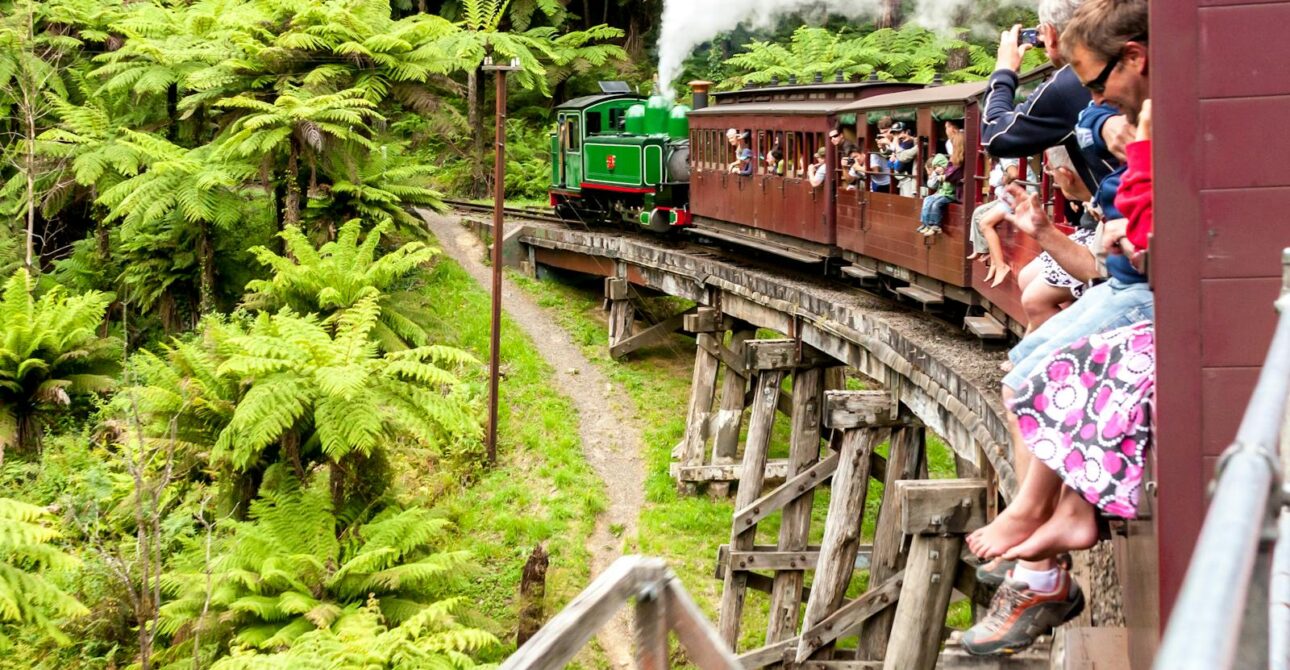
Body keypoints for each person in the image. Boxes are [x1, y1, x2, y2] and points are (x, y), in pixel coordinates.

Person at [961, 0, 1151, 655]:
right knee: (1034, 344)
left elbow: (1000, 136)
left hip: (1135, 284)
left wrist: (1004, 72)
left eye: (1094, 83)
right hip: (1120, 268)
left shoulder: (1082, 84)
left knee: (1037, 362)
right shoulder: (1101, 90)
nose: (1089, 95)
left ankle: (1043, 532)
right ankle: (1047, 526)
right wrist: (1048, 227)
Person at [917, 139, 964, 236]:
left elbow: (949, 189)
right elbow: (932, 185)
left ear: (944, 165)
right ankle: (926, 223)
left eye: (939, 167)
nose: (937, 169)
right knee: (927, 200)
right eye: (935, 168)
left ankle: (935, 225)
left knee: (935, 204)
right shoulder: (940, 174)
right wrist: (935, 175)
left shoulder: (950, 173)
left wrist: (941, 179)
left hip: (949, 195)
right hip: (942, 194)